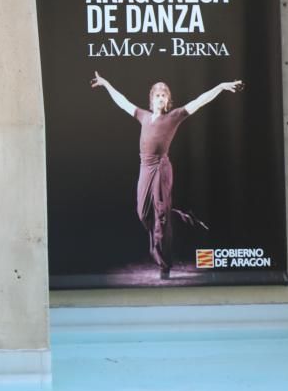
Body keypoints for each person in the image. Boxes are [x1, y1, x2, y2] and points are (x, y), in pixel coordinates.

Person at [90, 71, 243, 279]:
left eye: (164, 95)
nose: (160, 97)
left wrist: (220, 87)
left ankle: (164, 265)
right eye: (157, 94)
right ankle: (181, 217)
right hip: (146, 167)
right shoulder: (143, 116)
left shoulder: (173, 117)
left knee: (160, 217)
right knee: (143, 213)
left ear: (167, 100)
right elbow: (122, 102)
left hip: (162, 168)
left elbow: (200, 101)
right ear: (151, 99)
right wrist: (107, 84)